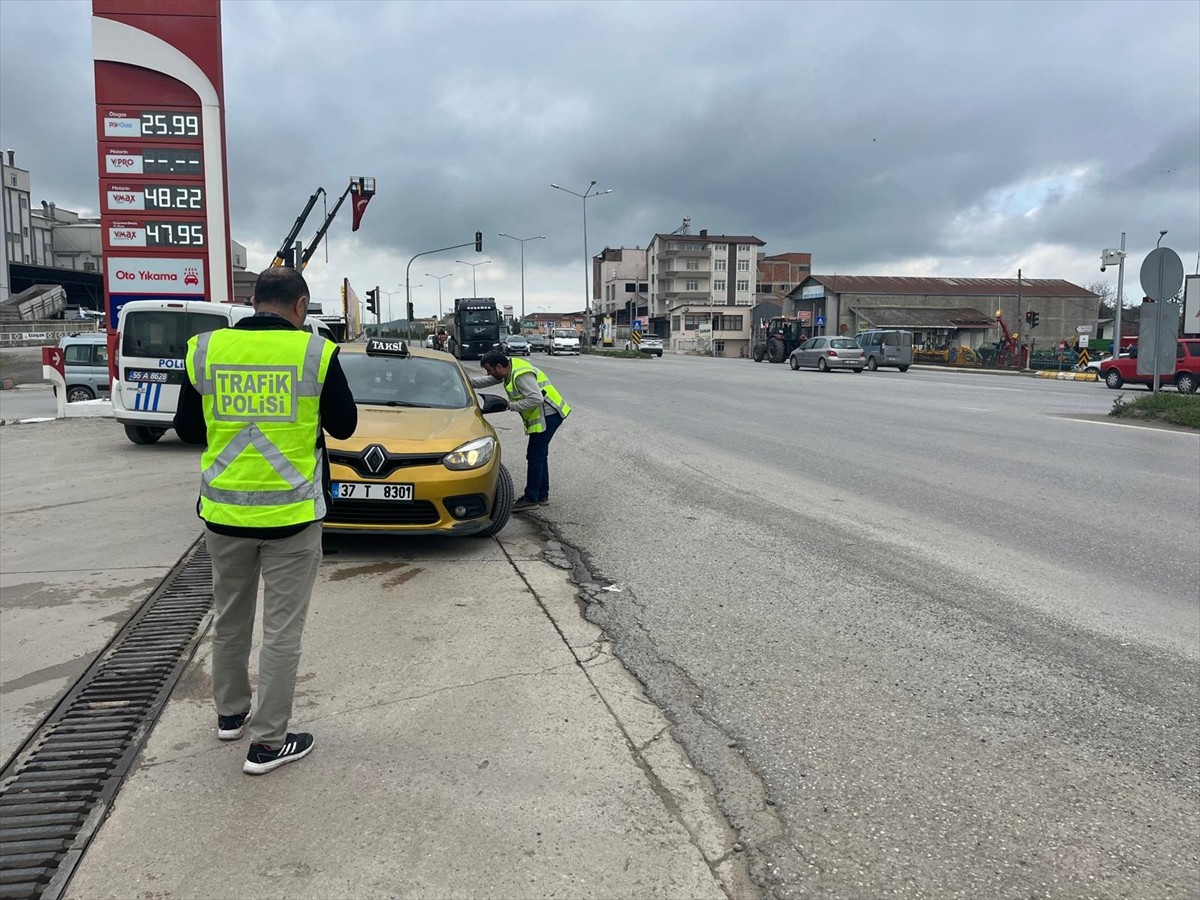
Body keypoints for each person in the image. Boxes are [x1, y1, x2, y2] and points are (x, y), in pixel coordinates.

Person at [174, 267, 357, 775]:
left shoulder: (206, 349)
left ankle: (230, 715)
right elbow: (345, 425)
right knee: (281, 631)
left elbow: (188, 429)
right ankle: (269, 742)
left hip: (225, 515)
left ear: (253, 302)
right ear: (300, 307)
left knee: (230, 619)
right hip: (292, 518)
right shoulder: (315, 353)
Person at [470, 349, 570, 511]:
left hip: (549, 415)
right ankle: (541, 495)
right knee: (539, 454)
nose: (488, 373)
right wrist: (466, 382)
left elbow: (536, 398)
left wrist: (511, 406)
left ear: (500, 367)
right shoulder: (509, 370)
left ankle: (531, 499)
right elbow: (487, 381)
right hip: (548, 415)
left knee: (535, 455)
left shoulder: (520, 375)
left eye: (490, 370)